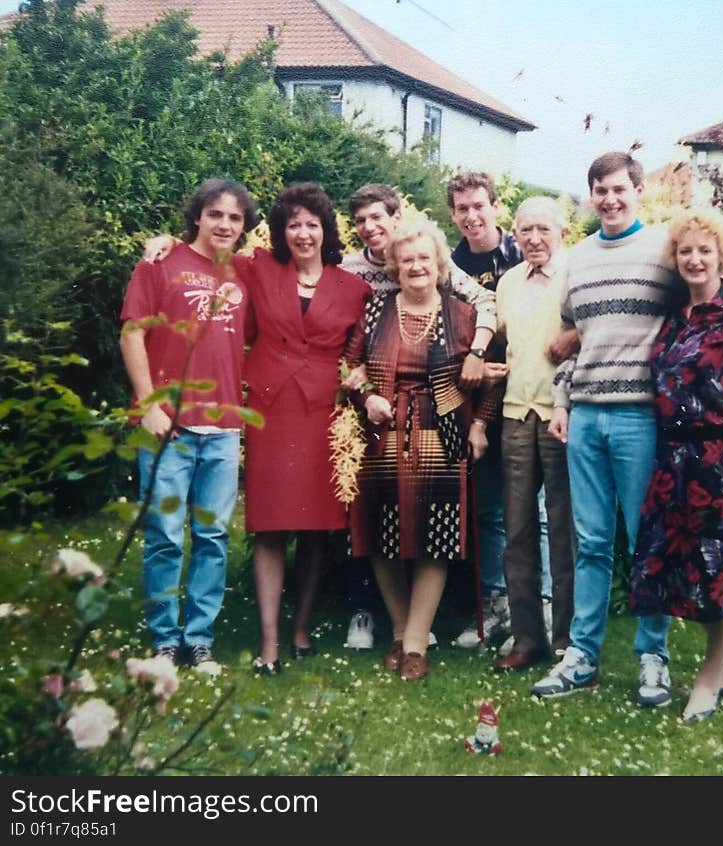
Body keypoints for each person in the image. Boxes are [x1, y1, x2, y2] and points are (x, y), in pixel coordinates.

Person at [535, 151, 723, 705]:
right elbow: (574, 339)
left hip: (645, 421)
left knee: (651, 545)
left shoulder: (665, 252)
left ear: (637, 190)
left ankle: (653, 657)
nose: (610, 199)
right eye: (600, 190)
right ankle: (583, 656)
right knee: (592, 543)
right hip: (588, 417)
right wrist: (562, 399)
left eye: (620, 188)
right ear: (591, 196)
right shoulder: (576, 259)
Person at [339, 183, 498, 651]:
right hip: (382, 430)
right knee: (380, 531)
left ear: (439, 264)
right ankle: (401, 626)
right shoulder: (374, 311)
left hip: (443, 432)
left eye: (424, 259)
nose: (415, 266)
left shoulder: (465, 315)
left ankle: (415, 644)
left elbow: (493, 378)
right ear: (395, 266)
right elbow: (348, 365)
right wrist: (366, 393)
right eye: (406, 260)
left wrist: (478, 425)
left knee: (439, 535)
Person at [629, 211, 723, 722]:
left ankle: (708, 683)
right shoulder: (677, 315)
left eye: (704, 251)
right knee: (687, 567)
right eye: (685, 251)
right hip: (676, 461)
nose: (694, 259)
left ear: (721, 257)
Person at [120, 178, 259, 676]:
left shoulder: (245, 271)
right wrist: (149, 404)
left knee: (212, 536)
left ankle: (199, 639)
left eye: (235, 218)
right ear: (197, 215)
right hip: (167, 426)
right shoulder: (160, 263)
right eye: (215, 214)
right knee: (163, 536)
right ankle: (163, 639)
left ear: (245, 227)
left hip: (222, 428)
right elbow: (133, 334)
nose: (225, 224)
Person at [244, 182, 371, 675]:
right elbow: (207, 261)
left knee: (318, 529)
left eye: (311, 224)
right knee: (270, 527)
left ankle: (302, 625)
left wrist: (359, 374)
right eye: (293, 224)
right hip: (272, 413)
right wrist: (163, 245)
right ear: (281, 230)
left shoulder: (352, 288)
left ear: (325, 230)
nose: (302, 233)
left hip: (325, 412)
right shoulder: (257, 268)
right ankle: (270, 641)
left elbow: (359, 352)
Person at [446, 172, 552, 650]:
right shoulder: (451, 264)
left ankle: (541, 606)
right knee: (489, 508)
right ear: (452, 214)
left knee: (537, 510)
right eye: (462, 208)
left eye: (479, 206)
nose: (472, 216)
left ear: (495, 208)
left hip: (533, 396)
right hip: (479, 402)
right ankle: (494, 602)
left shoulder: (522, 255)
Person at [488, 197, 575, 672]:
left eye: (543, 229)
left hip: (564, 415)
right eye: (525, 231)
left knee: (564, 531)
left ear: (562, 230)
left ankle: (566, 642)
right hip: (517, 414)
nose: (534, 239)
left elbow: (599, 329)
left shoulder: (577, 274)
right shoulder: (507, 283)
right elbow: (502, 340)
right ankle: (527, 638)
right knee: (517, 530)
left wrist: (576, 336)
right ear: (515, 235)